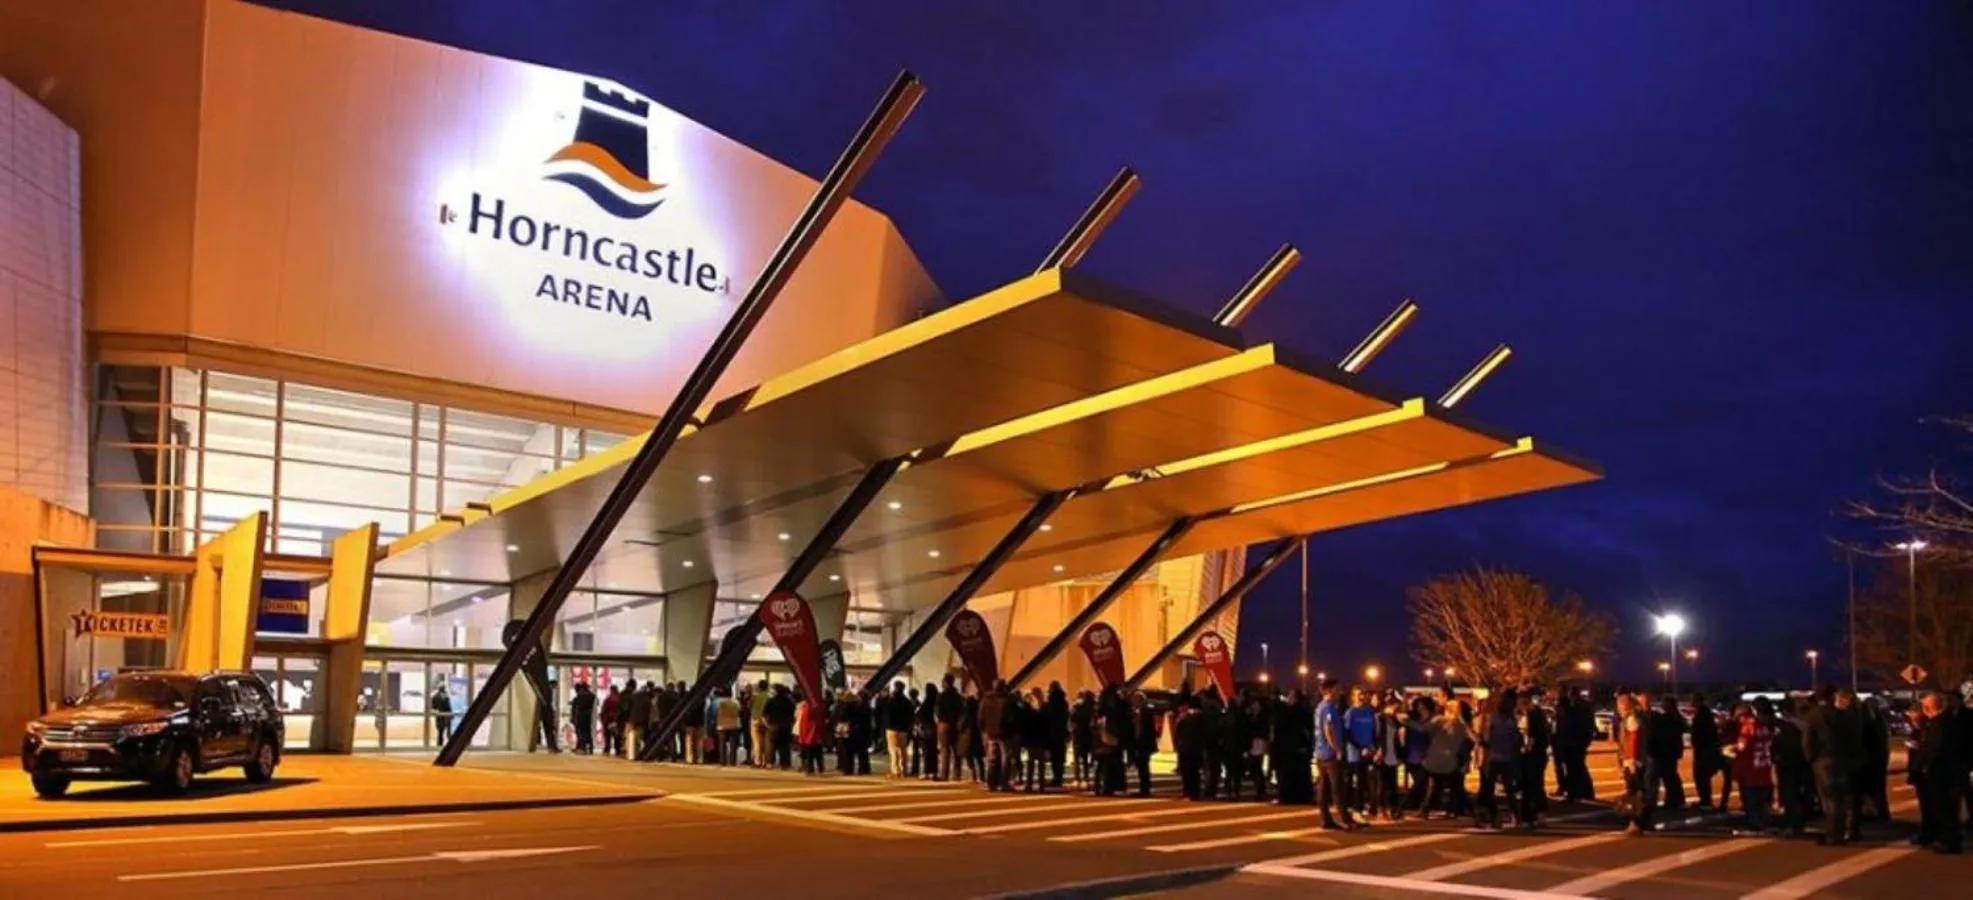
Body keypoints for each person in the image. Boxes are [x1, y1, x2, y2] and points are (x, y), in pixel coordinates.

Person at [1803, 686, 1862, 845]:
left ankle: (1832, 834)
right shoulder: (1843, 715)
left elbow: (1808, 740)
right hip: (1842, 760)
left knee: (1828, 799)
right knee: (1840, 799)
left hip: (1823, 760)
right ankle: (1840, 832)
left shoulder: (1813, 715)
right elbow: (1853, 739)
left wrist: (1811, 759)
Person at [1911, 691, 1966, 854]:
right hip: (1945, 771)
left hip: (1940, 773)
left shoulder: (1939, 724)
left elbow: (1936, 749)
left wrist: (1926, 766)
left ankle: (1949, 841)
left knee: (1943, 808)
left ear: (1930, 707)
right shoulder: (1945, 722)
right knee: (1944, 807)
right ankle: (1947, 838)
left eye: (1925, 706)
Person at [1475, 689, 1524, 829]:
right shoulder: (1511, 719)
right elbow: (1515, 740)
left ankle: (1494, 816)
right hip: (1505, 757)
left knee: (1489, 789)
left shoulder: (1495, 718)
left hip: (1494, 757)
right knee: (1507, 788)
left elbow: (1487, 739)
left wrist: (1481, 741)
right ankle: (1513, 815)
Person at [1314, 680, 1357, 829]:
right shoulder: (1328, 708)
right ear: (1329, 691)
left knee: (1324, 788)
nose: (1340, 692)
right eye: (1337, 689)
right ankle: (1346, 820)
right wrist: (1337, 749)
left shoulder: (1320, 707)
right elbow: (1328, 729)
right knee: (1337, 787)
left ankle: (1325, 819)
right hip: (1330, 754)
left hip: (1321, 753)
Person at [1731, 698, 1777, 835]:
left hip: (1749, 769)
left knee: (1750, 800)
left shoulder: (1747, 727)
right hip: (1763, 769)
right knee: (1762, 800)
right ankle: (1764, 822)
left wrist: (1730, 749)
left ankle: (1755, 825)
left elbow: (1742, 747)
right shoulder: (1764, 726)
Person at [1420, 696, 1470, 820]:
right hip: (1450, 760)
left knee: (1435, 784)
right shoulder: (1461, 724)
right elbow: (1467, 742)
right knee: (1456, 785)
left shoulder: (1439, 720)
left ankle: (1425, 808)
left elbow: (1424, 729)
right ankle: (1455, 809)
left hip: (1435, 759)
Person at [1616, 693, 1649, 835]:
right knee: (1636, 791)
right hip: (1635, 760)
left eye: (1619, 705)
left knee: (1633, 793)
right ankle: (1639, 822)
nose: (1618, 708)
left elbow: (1633, 741)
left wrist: (1630, 762)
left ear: (1624, 705)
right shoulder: (1636, 717)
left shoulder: (1631, 719)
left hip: (1632, 761)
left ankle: (1635, 823)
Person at [1517, 690, 1550, 825]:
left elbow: (1531, 735)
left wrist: (1526, 749)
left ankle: (1531, 815)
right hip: (1538, 754)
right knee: (1535, 785)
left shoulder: (1532, 713)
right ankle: (1536, 814)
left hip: (1532, 755)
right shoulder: (1536, 713)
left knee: (1531, 785)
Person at [1344, 688, 1377, 818]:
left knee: (1365, 782)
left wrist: (1373, 746)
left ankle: (1361, 806)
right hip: (1355, 754)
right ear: (1353, 697)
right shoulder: (1351, 713)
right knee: (1356, 782)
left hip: (1368, 752)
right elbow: (1347, 734)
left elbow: (1373, 731)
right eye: (1359, 695)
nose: (1362, 697)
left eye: (1363, 694)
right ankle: (1353, 808)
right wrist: (1359, 747)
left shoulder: (1369, 712)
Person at [1374, 694, 1404, 821]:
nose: (1397, 708)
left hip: (1393, 754)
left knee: (1393, 785)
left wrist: (1400, 754)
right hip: (1382, 754)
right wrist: (1377, 750)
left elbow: (1397, 738)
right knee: (1381, 785)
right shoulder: (1378, 718)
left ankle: (1393, 809)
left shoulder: (1394, 720)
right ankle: (1381, 809)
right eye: (1395, 705)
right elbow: (1375, 736)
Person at [979, 680, 1013, 791]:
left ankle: (991, 783)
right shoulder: (1006, 701)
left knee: (992, 759)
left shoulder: (985, 700)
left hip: (989, 732)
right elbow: (1010, 718)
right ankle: (1004, 783)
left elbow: (980, 718)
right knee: (1005, 758)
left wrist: (984, 730)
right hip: (1003, 733)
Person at [1129, 690, 1159, 797]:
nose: (1134, 702)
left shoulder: (1147, 711)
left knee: (1144, 766)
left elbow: (1150, 729)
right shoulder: (1135, 712)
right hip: (1138, 743)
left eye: (1135, 700)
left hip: (1145, 743)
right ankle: (1143, 787)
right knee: (1141, 766)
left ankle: (1145, 788)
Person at [1044, 682, 1071, 790]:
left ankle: (1056, 777)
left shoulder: (1051, 702)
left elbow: (1048, 717)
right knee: (1060, 756)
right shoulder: (1063, 702)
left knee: (1055, 757)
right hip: (1061, 731)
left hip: (1053, 732)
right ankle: (1059, 776)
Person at [936, 674, 963, 782]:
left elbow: (938, 710)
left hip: (944, 723)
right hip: (956, 724)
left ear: (946, 682)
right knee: (956, 749)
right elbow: (961, 710)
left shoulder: (942, 696)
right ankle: (957, 774)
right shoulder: (958, 696)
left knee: (945, 749)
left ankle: (944, 774)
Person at [883, 681, 913, 778]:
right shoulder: (907, 702)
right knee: (902, 750)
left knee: (893, 750)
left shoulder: (890, 700)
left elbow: (885, 713)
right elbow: (910, 716)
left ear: (895, 688)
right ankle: (903, 770)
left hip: (892, 728)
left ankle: (895, 771)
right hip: (903, 729)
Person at [765, 683, 796, 770]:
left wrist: (767, 724)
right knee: (785, 746)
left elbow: (765, 714)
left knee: (770, 745)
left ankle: (770, 762)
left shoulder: (771, 700)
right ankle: (785, 763)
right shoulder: (790, 701)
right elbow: (794, 715)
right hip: (786, 725)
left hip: (773, 725)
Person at [1070, 690, 1096, 789]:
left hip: (1078, 735)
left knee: (1077, 758)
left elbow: (1072, 720)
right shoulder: (1093, 708)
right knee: (1085, 759)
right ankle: (1086, 778)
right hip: (1088, 735)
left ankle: (1077, 778)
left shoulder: (1078, 707)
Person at [715, 687, 743, 765]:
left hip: (722, 725)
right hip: (734, 725)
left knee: (722, 744)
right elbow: (740, 711)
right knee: (733, 745)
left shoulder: (719, 702)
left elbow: (715, 712)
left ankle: (723, 761)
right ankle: (732, 761)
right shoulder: (736, 702)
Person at [621, 679, 647, 759]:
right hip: (639, 719)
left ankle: (628, 752)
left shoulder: (626, 695)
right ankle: (636, 752)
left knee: (628, 736)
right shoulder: (643, 698)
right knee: (638, 737)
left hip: (630, 719)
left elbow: (625, 708)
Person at [749, 679, 772, 768]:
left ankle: (758, 761)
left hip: (755, 720)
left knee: (757, 742)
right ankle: (766, 761)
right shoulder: (770, 697)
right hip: (766, 721)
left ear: (759, 687)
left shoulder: (755, 696)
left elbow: (750, 706)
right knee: (766, 742)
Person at [570, 681, 597, 754]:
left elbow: (578, 708)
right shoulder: (592, 695)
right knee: (587, 733)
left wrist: (574, 718)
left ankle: (583, 748)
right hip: (587, 717)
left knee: (581, 733)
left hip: (580, 717)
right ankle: (589, 748)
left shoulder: (581, 696)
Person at [599, 684, 620, 756]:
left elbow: (604, 710)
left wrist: (603, 719)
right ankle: (618, 750)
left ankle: (607, 749)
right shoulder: (620, 698)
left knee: (608, 736)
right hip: (617, 720)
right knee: (617, 737)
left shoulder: (608, 699)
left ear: (611, 690)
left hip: (608, 720)